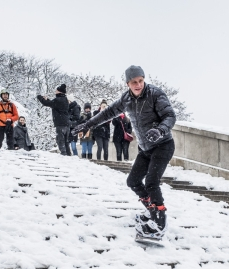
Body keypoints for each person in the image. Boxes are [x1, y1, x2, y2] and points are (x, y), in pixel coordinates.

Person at [72, 65, 176, 241]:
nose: (138, 85)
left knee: (151, 182)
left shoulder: (155, 94)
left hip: (163, 145)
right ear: (128, 83)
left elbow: (170, 116)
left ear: (144, 79)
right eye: (134, 82)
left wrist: (160, 130)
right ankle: (151, 210)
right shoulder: (126, 99)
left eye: (141, 81)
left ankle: (159, 222)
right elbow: (108, 113)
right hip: (145, 148)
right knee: (133, 181)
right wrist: (88, 124)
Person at [37, 84, 70, 156]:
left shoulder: (58, 100)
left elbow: (47, 103)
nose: (55, 91)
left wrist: (40, 97)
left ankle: (64, 155)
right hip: (66, 123)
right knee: (66, 141)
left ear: (59, 92)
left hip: (60, 123)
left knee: (60, 140)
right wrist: (47, 100)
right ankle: (68, 155)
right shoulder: (65, 100)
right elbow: (53, 105)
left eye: (56, 90)